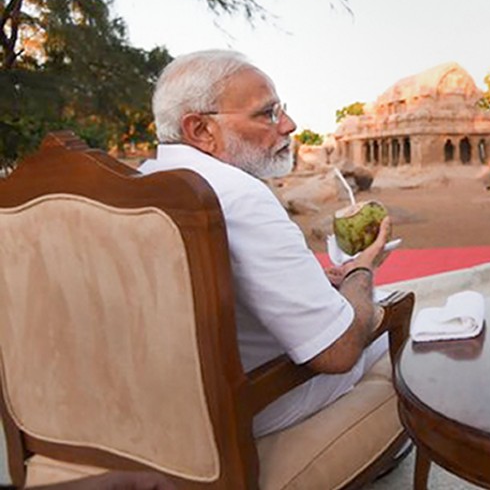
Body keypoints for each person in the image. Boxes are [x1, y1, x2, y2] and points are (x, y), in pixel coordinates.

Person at [140, 50, 391, 436]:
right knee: (391, 316)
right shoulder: (238, 195)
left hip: (163, 403)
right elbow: (337, 352)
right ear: (201, 130)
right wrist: (361, 270)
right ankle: (386, 443)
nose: (289, 125)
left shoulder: (145, 181)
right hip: (244, 408)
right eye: (267, 113)